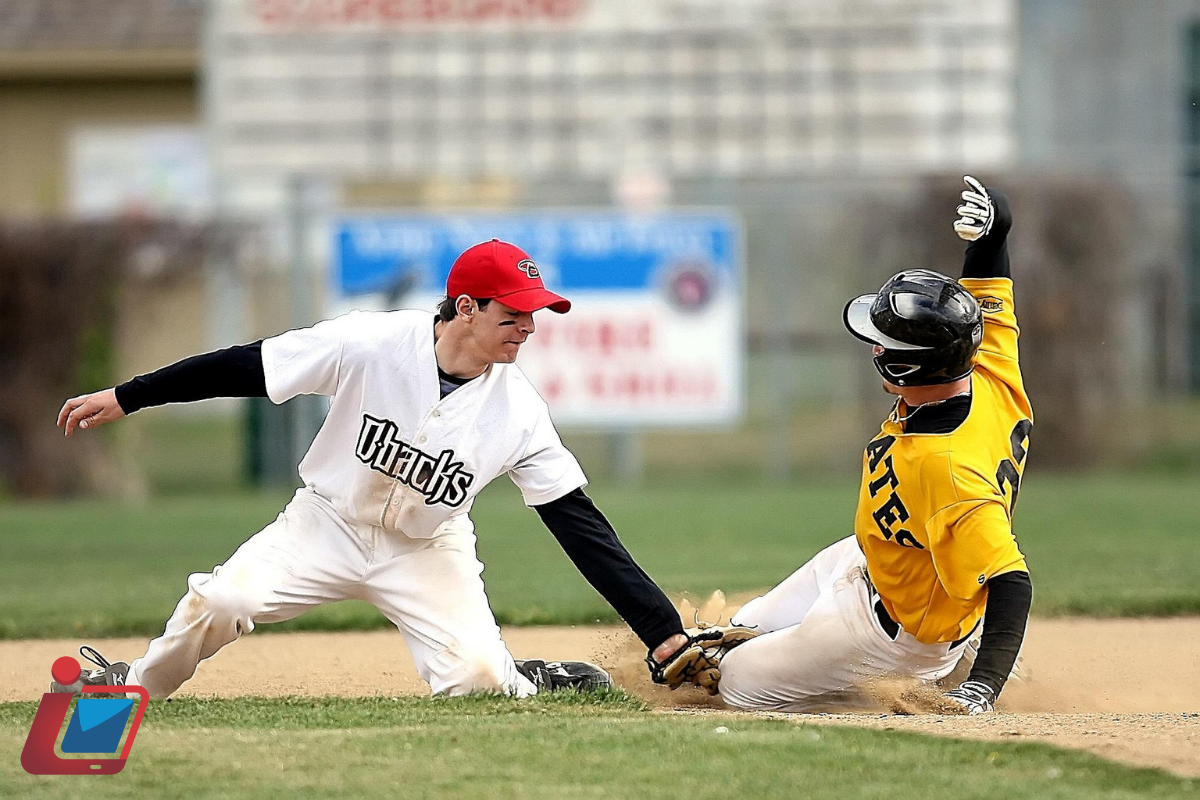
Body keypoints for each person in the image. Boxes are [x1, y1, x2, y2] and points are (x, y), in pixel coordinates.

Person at [53, 239, 689, 698]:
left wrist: (661, 631)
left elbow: (581, 526)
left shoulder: (518, 411)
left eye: (533, 314)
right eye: (513, 313)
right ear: (465, 308)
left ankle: (521, 677)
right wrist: (129, 396)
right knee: (225, 599)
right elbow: (251, 365)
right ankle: (131, 683)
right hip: (326, 523)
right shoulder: (371, 344)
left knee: (478, 682)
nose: (528, 327)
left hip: (425, 548)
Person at [659, 177, 1034, 714]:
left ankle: (916, 680)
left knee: (730, 685)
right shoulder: (987, 365)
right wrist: (993, 232)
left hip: (893, 634)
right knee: (740, 630)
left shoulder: (948, 468)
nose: (875, 346)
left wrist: (984, 689)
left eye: (883, 342)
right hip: (877, 556)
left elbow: (1011, 582)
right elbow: (989, 283)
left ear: (904, 366)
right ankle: (949, 648)